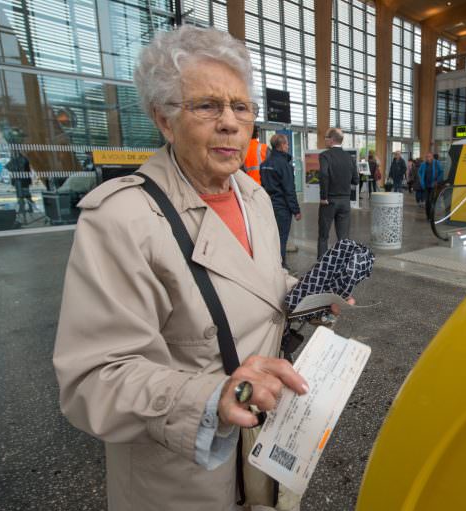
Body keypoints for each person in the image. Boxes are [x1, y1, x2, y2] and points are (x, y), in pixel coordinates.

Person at [53, 26, 318, 511]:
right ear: (165, 120)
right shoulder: (122, 217)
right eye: (207, 106)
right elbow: (93, 377)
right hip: (181, 474)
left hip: (261, 447)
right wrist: (217, 394)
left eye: (241, 107)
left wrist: (312, 293)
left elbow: (262, 286)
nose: (231, 123)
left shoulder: (252, 195)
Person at [260, 133, 301, 269]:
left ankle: (270, 263)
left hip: (267, 205)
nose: (288, 146)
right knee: (281, 237)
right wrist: (296, 210)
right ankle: (281, 265)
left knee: (270, 236)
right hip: (282, 207)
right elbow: (289, 190)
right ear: (282, 145)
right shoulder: (285, 165)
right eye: (287, 144)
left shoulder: (264, 165)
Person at [317, 127, 359, 259]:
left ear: (332, 140)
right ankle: (343, 263)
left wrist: (323, 197)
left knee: (324, 235)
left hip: (329, 201)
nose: (324, 140)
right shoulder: (349, 157)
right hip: (345, 201)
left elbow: (324, 175)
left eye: (325, 138)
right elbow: (356, 180)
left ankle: (322, 265)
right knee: (343, 237)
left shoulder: (325, 155)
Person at [418, 152, 443, 221]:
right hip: (426, 185)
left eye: (429, 157)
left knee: (431, 200)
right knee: (427, 201)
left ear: (432, 157)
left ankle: (431, 216)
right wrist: (421, 180)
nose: (428, 158)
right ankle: (428, 216)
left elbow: (441, 172)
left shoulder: (436, 163)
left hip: (433, 185)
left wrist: (437, 180)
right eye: (426, 157)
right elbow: (419, 172)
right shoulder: (423, 164)